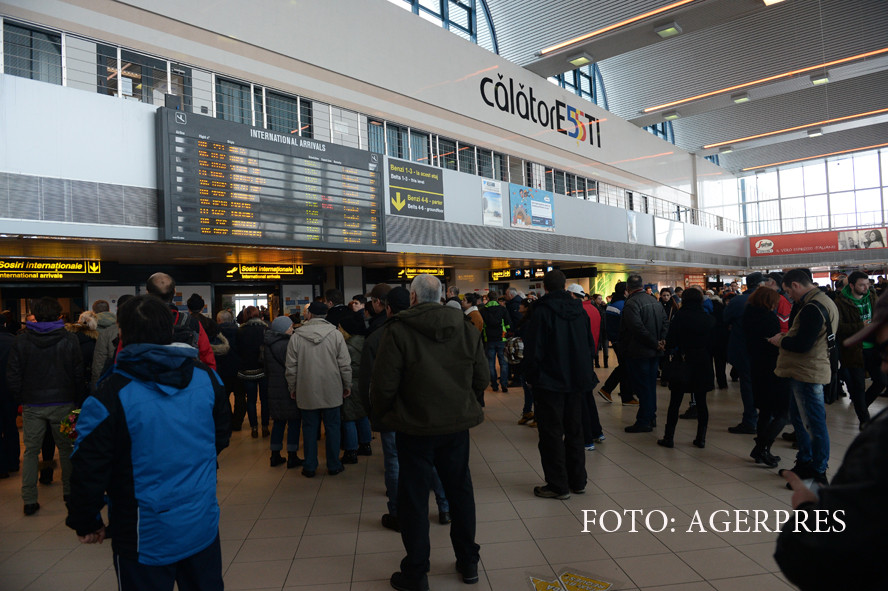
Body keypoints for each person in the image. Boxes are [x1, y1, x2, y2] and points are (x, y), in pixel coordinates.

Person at [66, 295, 231, 591]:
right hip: (201, 520)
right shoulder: (206, 378)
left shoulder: (110, 396)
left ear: (122, 334)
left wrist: (87, 519)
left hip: (145, 534)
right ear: (169, 330)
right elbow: (221, 435)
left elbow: (88, 465)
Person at [370, 274, 488, 590]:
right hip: (455, 427)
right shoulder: (465, 327)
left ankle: (417, 571)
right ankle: (468, 562)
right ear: (440, 296)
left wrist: (383, 416)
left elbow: (383, 385)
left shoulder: (398, 331)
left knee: (414, 498)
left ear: (412, 298)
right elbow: (481, 376)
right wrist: (466, 402)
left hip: (414, 428)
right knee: (460, 491)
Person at [774, 289, 888, 589]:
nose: (883, 365)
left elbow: (815, 557)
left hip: (808, 371)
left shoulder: (881, 437)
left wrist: (809, 511)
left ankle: (817, 465)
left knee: (813, 422)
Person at [524, 270, 598, 499]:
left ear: (544, 287)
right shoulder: (580, 311)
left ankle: (558, 484)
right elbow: (588, 345)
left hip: (549, 382)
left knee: (551, 433)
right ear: (565, 286)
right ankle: (578, 480)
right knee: (575, 430)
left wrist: (529, 375)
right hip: (576, 381)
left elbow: (534, 348)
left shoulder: (541, 311)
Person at [7, 297, 84, 515]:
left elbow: (13, 375)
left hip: (32, 404)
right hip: (65, 402)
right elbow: (78, 374)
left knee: (31, 451)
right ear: (59, 315)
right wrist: (77, 401)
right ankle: (69, 493)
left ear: (34, 315)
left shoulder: (21, 341)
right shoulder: (70, 340)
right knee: (67, 449)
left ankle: (29, 499)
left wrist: (22, 398)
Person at [769, 268, 838, 487]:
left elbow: (802, 344)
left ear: (796, 285)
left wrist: (781, 340)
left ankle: (818, 470)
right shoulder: (822, 301)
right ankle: (805, 462)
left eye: (788, 291)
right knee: (801, 419)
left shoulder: (812, 307)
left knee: (814, 423)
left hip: (808, 372)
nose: (789, 296)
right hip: (805, 369)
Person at [285, 302, 351, 478]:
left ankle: (310, 466)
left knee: (309, 428)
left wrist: (293, 387)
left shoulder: (297, 336)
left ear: (310, 315)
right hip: (332, 388)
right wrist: (347, 385)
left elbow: (291, 366)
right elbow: (344, 364)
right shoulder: (336, 335)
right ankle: (334, 464)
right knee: (333, 427)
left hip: (306, 389)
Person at [657, 287, 714, 448]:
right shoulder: (707, 318)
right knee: (702, 402)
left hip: (683, 362)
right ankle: (701, 438)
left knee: (675, 402)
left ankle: (669, 437)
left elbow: (672, 340)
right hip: (702, 362)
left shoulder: (680, 316)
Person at [743, 287, 790, 468]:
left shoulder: (748, 314)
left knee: (765, 410)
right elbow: (774, 342)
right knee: (782, 412)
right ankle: (762, 447)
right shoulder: (769, 317)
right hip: (772, 367)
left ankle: (762, 449)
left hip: (757, 366)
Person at [835, 271, 883, 429]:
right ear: (852, 285)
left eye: (867, 283)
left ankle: (862, 407)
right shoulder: (841, 302)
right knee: (858, 386)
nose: (866, 287)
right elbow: (839, 328)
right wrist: (860, 326)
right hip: (853, 350)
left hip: (873, 348)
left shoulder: (871, 297)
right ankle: (864, 419)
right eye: (862, 285)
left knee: (881, 381)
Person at [621, 274, 668, 432]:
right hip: (654, 352)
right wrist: (661, 341)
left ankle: (644, 420)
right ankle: (651, 416)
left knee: (642, 387)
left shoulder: (631, 304)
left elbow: (637, 329)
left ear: (628, 288)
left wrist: (655, 343)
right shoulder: (654, 301)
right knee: (649, 386)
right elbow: (665, 322)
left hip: (639, 352)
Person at [723, 272, 765, 434]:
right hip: (765, 349)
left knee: (747, 386)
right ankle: (768, 417)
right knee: (764, 384)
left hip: (743, 349)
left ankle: (750, 420)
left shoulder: (738, 301)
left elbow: (725, 318)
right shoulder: (769, 300)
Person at [146, 273, 216, 370]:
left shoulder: (136, 322)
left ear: (147, 293)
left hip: (147, 381)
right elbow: (207, 358)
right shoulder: (192, 323)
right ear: (174, 292)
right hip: (188, 380)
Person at [566, 284, 605, 451]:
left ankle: (587, 439)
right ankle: (597, 432)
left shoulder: (575, 313)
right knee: (588, 398)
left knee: (580, 400)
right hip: (588, 357)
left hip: (578, 361)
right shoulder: (594, 310)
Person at [265, 315, 302, 468]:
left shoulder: (268, 343)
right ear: (283, 330)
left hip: (274, 388)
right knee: (294, 421)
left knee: (278, 423)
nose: (292, 329)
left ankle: (275, 455)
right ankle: (292, 455)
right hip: (287, 387)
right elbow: (292, 366)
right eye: (290, 327)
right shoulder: (286, 345)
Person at [339, 312, 372, 464]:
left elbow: (344, 367)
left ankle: (351, 451)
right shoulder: (366, 341)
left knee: (349, 417)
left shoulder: (346, 346)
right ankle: (365, 445)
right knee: (362, 414)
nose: (338, 330)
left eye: (340, 328)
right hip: (364, 382)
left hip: (350, 383)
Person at [599, 282, 637, 405]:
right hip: (623, 342)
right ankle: (610, 390)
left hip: (615, 341)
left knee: (624, 367)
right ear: (625, 291)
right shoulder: (623, 305)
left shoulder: (612, 304)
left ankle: (623, 395)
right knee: (625, 367)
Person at [236, 306, 269, 438]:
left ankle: (254, 427)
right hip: (263, 369)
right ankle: (265, 426)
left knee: (251, 400)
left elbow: (237, 350)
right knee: (265, 400)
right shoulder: (265, 329)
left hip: (247, 370)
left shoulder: (240, 331)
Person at [214, 310, 242, 431]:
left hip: (221, 369)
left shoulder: (215, 333)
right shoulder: (240, 331)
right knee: (240, 397)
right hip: (238, 369)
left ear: (219, 320)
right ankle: (238, 422)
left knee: (224, 397)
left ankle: (228, 420)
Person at [0, 312, 20, 479]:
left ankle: (1, 466)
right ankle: (13, 462)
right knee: (10, 426)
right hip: (10, 390)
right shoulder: (14, 341)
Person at [479, 291, 511, 392]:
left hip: (488, 339)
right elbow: (508, 324)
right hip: (501, 339)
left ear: (488, 299)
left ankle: (494, 384)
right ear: (497, 298)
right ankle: (504, 384)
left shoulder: (483, 310)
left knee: (491, 363)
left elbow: (481, 325)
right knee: (503, 363)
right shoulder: (502, 309)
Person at [89, 299, 118, 393]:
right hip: (117, 378)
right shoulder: (119, 327)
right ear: (109, 310)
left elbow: (98, 364)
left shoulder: (89, 328)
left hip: (102, 379)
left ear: (94, 311)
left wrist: (95, 388)